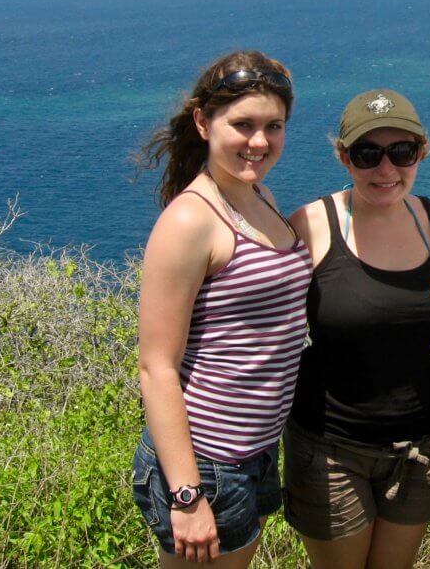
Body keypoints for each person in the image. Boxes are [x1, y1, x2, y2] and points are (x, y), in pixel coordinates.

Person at [132, 51, 312, 567]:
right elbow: (156, 367)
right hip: (205, 462)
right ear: (202, 122)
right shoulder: (192, 220)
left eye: (273, 126)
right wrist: (186, 496)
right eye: (243, 125)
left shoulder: (259, 194)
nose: (259, 142)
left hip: (252, 452)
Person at [283, 88, 430, 569]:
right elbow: (264, 329)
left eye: (401, 152)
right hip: (330, 447)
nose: (386, 170)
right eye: (368, 154)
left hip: (420, 446)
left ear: (421, 151)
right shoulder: (310, 225)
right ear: (344, 157)